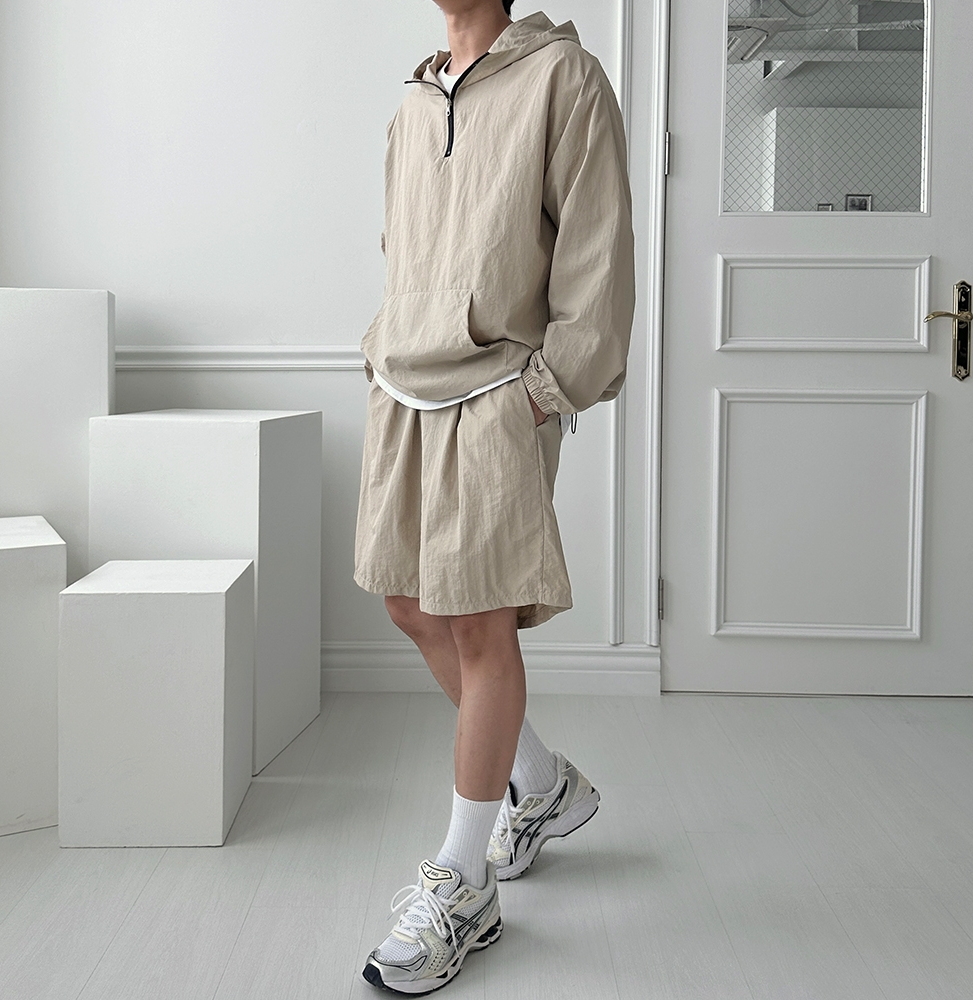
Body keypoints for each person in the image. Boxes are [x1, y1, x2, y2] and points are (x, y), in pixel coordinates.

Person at [353, 1, 634, 992]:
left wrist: (546, 393)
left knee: (478, 621)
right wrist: (379, 347)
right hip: (403, 386)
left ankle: (465, 882)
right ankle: (542, 784)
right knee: (408, 603)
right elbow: (403, 247)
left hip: (500, 392)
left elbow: (597, 258)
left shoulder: (565, 79)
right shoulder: (414, 99)